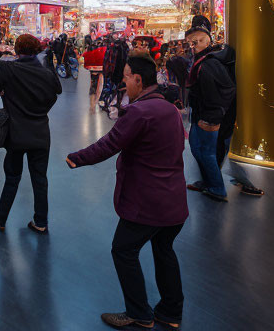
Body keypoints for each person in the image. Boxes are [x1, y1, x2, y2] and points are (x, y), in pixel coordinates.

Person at [67, 53, 187, 330]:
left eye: (125, 77)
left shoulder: (139, 112)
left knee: (123, 250)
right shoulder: (170, 109)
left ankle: (139, 313)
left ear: (138, 79)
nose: (123, 82)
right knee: (164, 249)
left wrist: (78, 157)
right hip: (174, 199)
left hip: (147, 201)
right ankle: (171, 312)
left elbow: (110, 144)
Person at [0, 34, 61, 234]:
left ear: (16, 50)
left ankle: (0, 220)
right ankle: (40, 222)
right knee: (40, 179)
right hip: (41, 133)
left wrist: (5, 95)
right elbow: (56, 91)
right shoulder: (46, 73)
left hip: (15, 133)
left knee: (12, 178)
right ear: (36, 50)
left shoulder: (6, 68)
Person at [185, 20, 262, 200]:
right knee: (197, 149)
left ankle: (217, 188)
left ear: (207, 41)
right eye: (191, 42)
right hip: (201, 114)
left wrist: (211, 118)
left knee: (207, 152)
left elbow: (226, 90)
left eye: (197, 41)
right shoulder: (203, 60)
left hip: (209, 117)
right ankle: (208, 182)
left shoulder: (210, 63)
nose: (193, 46)